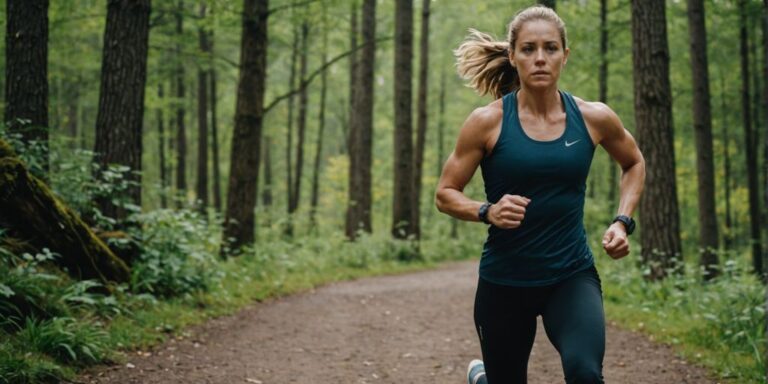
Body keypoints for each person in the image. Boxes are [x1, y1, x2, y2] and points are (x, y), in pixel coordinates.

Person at [434, 5, 646, 384]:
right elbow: (445, 193)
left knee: (586, 375)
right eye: (529, 49)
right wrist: (487, 210)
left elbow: (633, 163)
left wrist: (622, 220)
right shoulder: (488, 122)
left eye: (550, 48)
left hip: (570, 275)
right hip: (505, 280)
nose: (540, 59)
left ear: (565, 54)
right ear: (513, 56)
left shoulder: (593, 117)